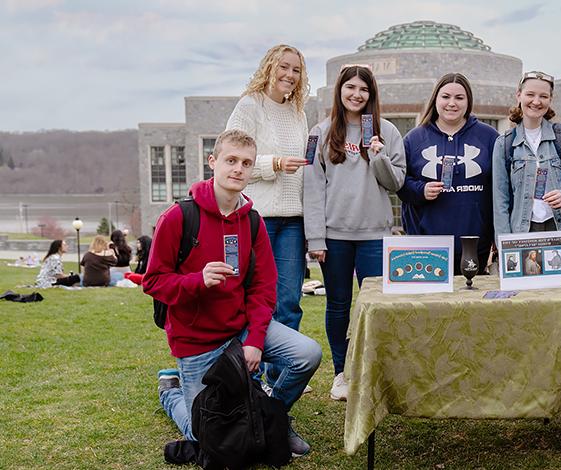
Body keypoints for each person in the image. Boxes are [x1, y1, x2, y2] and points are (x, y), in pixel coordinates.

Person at [143, 129, 322, 457]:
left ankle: (271, 417)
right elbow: (153, 281)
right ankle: (171, 391)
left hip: (238, 330)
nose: (238, 169)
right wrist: (198, 280)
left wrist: (254, 340)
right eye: (231, 160)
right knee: (208, 437)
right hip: (196, 342)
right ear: (213, 162)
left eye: (246, 163)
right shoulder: (179, 217)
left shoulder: (252, 221)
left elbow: (264, 288)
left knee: (307, 353)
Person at [304, 65, 406, 401]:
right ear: (340, 91)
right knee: (338, 305)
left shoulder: (387, 132)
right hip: (335, 237)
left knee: (375, 307)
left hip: (375, 236)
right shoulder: (320, 132)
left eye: (363, 89)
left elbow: (396, 184)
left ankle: (376, 371)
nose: (356, 95)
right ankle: (341, 374)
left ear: (371, 95)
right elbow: (313, 189)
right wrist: (316, 238)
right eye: (350, 87)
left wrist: (377, 156)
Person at [226, 44, 310, 333]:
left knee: (289, 301)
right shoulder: (249, 105)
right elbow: (230, 161)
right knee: (255, 298)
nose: (290, 74)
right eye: (283, 67)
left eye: (296, 70)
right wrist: (273, 163)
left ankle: (285, 377)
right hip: (257, 218)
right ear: (269, 68)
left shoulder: (298, 113)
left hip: (294, 221)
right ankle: (252, 372)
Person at [397, 73, 498, 272]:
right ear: (435, 99)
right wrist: (421, 190)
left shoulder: (489, 137)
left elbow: (501, 187)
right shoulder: (414, 139)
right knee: (430, 302)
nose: (452, 103)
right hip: (427, 242)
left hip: (475, 242)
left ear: (468, 102)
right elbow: (399, 183)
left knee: (471, 300)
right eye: (445, 97)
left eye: (459, 98)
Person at [492, 71, 561, 243]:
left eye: (543, 96)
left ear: (550, 99)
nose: (536, 102)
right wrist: (503, 243)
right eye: (530, 94)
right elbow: (500, 201)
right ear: (519, 95)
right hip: (523, 232)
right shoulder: (504, 144)